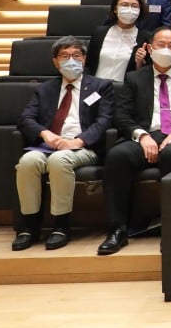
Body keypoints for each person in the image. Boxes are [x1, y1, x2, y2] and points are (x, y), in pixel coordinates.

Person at [98, 27, 171, 255]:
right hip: (144, 135)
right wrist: (142, 135)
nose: (166, 49)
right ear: (149, 48)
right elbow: (121, 115)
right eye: (161, 44)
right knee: (117, 157)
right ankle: (117, 229)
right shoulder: (133, 78)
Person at [13, 37, 115, 251]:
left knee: (60, 161)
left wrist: (78, 141)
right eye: (65, 56)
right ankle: (29, 226)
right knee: (27, 162)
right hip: (47, 145)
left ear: (85, 59)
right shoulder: (46, 89)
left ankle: (61, 225)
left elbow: (104, 120)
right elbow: (26, 118)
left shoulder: (100, 86)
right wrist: (45, 134)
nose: (71, 61)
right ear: (55, 62)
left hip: (83, 147)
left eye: (76, 56)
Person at [86, 0, 150, 83]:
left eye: (134, 6)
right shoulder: (99, 33)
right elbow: (89, 64)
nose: (129, 10)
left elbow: (143, 75)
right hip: (96, 88)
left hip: (124, 91)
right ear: (115, 8)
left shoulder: (145, 37)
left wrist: (140, 63)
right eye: (124, 5)